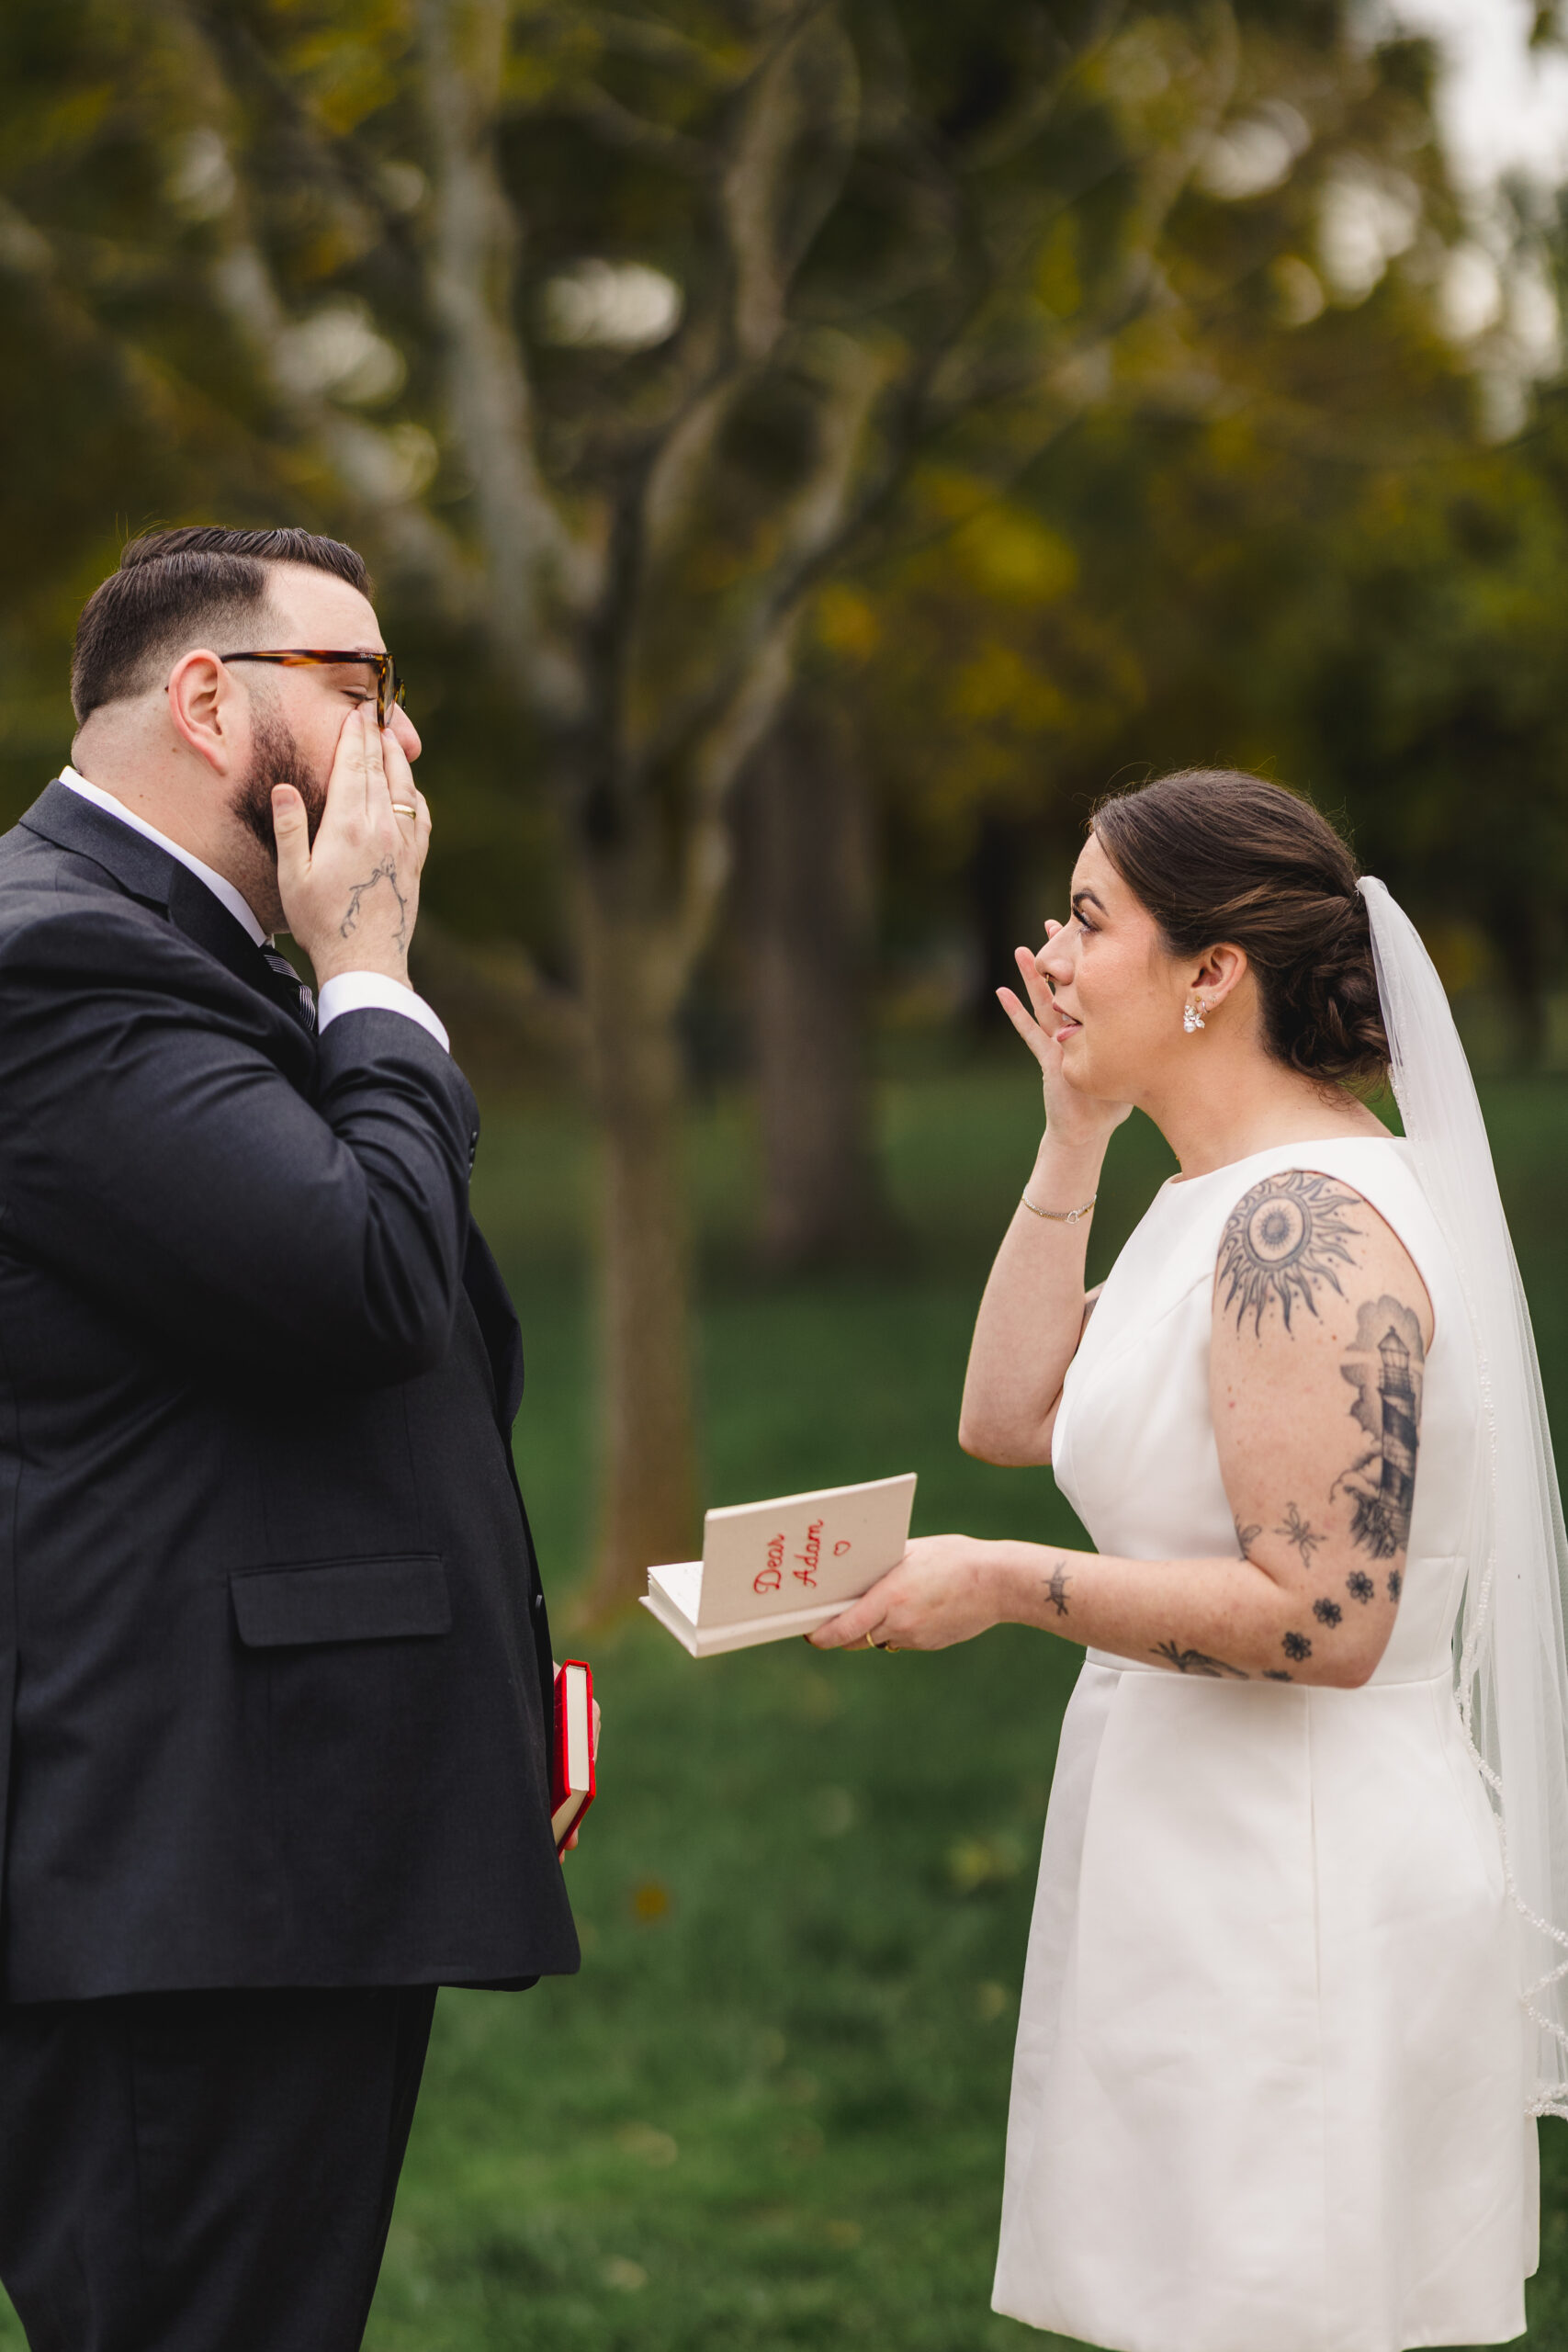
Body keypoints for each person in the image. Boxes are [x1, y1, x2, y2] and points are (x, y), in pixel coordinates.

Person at [813, 768, 1568, 2352]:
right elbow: (1012, 1415)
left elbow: (1324, 1619)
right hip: (1195, 1856)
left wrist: (1010, 1586)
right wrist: (1072, 1138)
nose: (1054, 955)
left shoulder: (1310, 1229)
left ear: (1212, 974)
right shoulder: (1212, 1202)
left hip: (1299, 1883)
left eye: (1090, 919)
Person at [0, 526, 582, 2352]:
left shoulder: (179, 948)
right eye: (362, 689)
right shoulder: (64, 963)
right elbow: (361, 1274)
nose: (400, 749)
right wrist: (378, 970)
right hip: (180, 1857)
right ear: (204, 698)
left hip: (266, 1833)